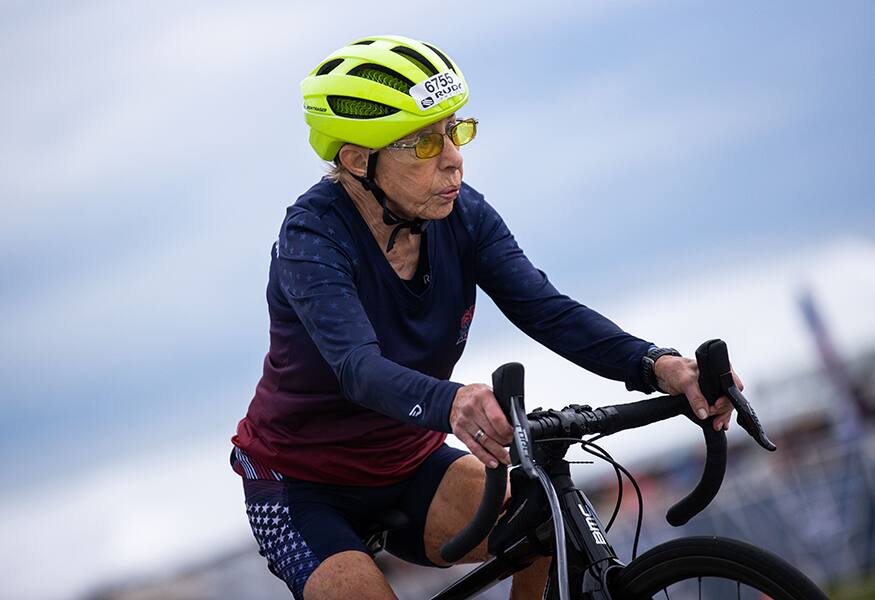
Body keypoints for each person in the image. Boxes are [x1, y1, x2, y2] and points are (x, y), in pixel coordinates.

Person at [229, 34, 737, 600]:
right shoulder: (312, 237)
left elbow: (546, 310)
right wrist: (454, 402)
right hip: (301, 487)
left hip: (410, 464)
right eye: (423, 143)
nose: (453, 157)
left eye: (454, 130)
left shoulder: (463, 213)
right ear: (356, 160)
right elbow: (357, 367)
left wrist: (657, 364)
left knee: (544, 517)